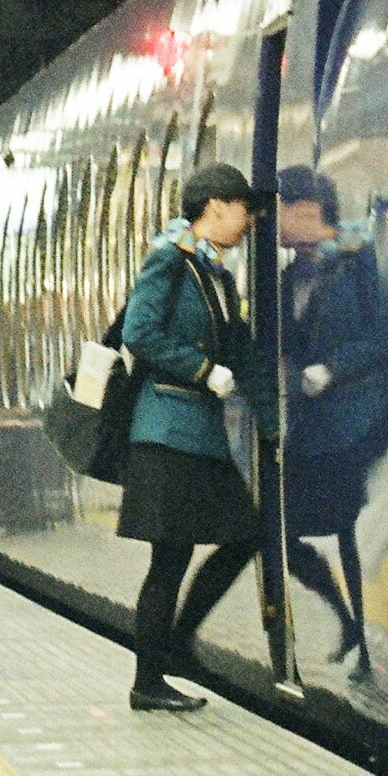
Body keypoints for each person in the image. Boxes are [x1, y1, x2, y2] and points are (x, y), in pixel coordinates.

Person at [115, 161, 278, 711]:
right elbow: (139, 332)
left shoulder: (217, 275)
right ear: (214, 206)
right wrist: (202, 371)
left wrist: (272, 420)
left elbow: (241, 352)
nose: (250, 219)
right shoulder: (170, 262)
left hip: (197, 437)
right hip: (165, 431)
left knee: (242, 534)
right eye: (243, 208)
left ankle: (175, 648)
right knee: (170, 559)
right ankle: (150, 678)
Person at [274, 165, 388, 664]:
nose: (276, 224)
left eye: (281, 212)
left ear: (307, 212)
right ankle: (346, 620)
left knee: (348, 531)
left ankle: (363, 639)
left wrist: (332, 369)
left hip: (356, 420)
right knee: (284, 533)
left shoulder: (356, 261)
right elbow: (285, 344)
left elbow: (380, 339)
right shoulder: (286, 277)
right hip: (311, 426)